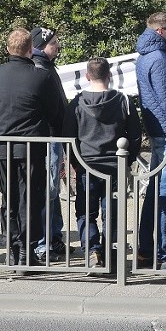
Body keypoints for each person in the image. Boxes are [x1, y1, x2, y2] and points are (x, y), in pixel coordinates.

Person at [63, 57, 142, 270]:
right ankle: (111, 253)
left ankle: (92, 251)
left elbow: (68, 138)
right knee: (113, 211)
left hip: (86, 165)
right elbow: (135, 135)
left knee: (85, 212)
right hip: (115, 165)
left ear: (87, 76)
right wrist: (128, 159)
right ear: (110, 75)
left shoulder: (76, 104)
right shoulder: (123, 101)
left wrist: (74, 163)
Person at [0, 28, 65, 270]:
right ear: (30, 50)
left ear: (8, 49)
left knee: (11, 199)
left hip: (3, 148)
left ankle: (14, 251)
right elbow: (56, 112)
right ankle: (26, 252)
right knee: (31, 199)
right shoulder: (41, 76)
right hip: (32, 147)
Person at [135, 12, 166, 271]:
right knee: (164, 196)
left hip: (158, 133)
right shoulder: (160, 59)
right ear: (160, 31)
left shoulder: (145, 57)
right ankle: (163, 254)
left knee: (155, 194)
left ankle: (145, 250)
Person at [30, 26, 70, 263]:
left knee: (53, 191)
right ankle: (44, 243)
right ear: (42, 45)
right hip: (49, 138)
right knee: (49, 190)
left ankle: (54, 236)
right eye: (54, 42)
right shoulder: (39, 68)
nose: (58, 46)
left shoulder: (46, 66)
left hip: (54, 137)